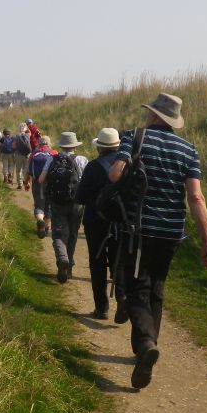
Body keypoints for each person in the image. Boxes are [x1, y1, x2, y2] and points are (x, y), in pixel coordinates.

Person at [107, 93, 207, 389]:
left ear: (154, 114)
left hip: (140, 229)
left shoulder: (134, 137)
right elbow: (196, 197)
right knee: (156, 288)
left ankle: (145, 344)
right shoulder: (189, 150)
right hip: (172, 233)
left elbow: (115, 175)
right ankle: (146, 351)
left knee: (137, 288)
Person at [76, 128, 121, 320]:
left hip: (95, 221)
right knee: (119, 262)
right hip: (120, 222)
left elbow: (80, 197)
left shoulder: (93, 166)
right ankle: (123, 299)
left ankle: (101, 308)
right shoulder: (126, 165)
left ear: (99, 147)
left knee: (97, 263)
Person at [39, 132, 88, 282]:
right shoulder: (82, 160)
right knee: (73, 233)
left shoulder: (52, 159)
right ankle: (69, 267)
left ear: (61, 146)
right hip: (77, 203)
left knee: (58, 234)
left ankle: (62, 258)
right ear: (74, 146)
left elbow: (41, 179)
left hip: (57, 202)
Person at [24, 137, 54, 238]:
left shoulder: (33, 154)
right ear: (49, 143)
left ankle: (40, 220)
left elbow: (28, 171)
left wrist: (26, 182)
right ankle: (46, 227)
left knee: (39, 205)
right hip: (50, 183)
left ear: (39, 144)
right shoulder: (54, 153)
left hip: (37, 182)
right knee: (49, 205)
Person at [11, 123, 31, 189]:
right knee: (25, 169)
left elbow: (13, 146)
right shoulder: (28, 135)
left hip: (18, 155)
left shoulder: (16, 136)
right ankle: (26, 182)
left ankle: (20, 184)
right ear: (26, 128)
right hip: (27, 155)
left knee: (18, 170)